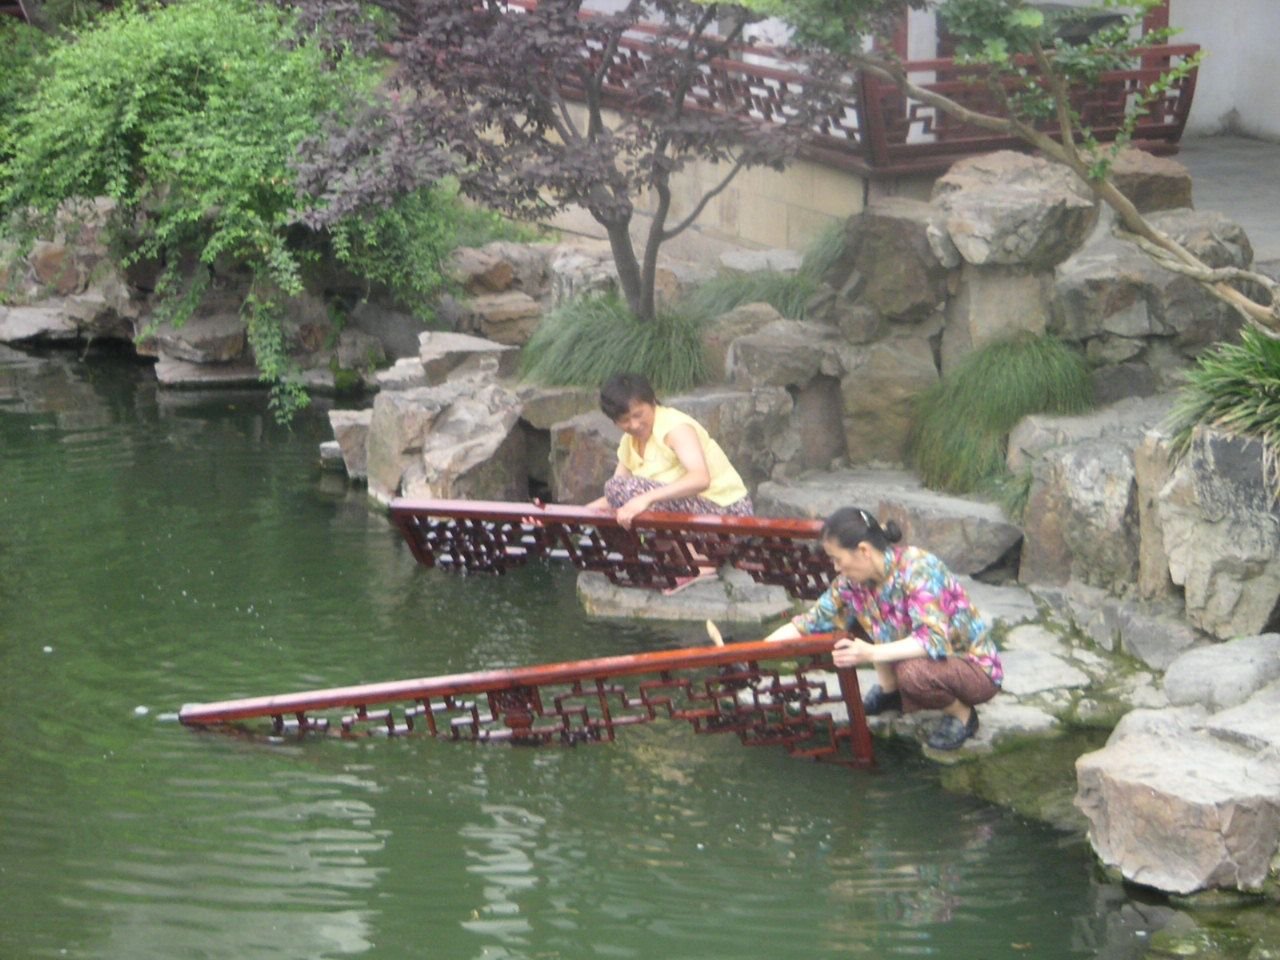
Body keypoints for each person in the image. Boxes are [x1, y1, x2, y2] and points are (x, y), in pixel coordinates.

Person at [764, 506, 1002, 750]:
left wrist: (869, 653)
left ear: (864, 551)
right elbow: (809, 623)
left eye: (837, 559)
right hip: (924, 661)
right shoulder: (851, 584)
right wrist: (752, 653)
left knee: (913, 674)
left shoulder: (918, 569)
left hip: (972, 669)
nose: (835, 567)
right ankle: (890, 693)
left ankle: (962, 715)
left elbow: (932, 640)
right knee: (847, 622)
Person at [587, 373, 753, 589]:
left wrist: (645, 499)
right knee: (617, 491)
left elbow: (700, 478)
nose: (634, 424)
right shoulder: (630, 443)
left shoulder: (675, 428)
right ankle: (677, 560)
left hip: (729, 517)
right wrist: (562, 517)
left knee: (623, 490)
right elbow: (615, 497)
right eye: (625, 420)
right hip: (700, 524)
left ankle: (701, 566)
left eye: (639, 414)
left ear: (652, 401)